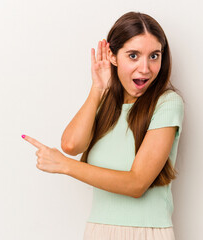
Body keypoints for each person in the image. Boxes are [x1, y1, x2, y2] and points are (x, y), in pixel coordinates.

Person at [22, 11, 184, 240]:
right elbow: (70, 144)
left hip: (146, 233)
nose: (145, 68)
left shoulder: (167, 103)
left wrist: (65, 166)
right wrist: (98, 89)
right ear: (113, 56)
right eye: (134, 55)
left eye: (154, 56)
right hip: (98, 231)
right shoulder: (107, 103)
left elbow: (137, 184)